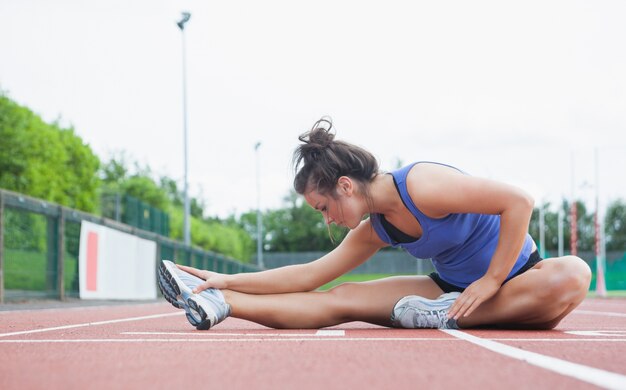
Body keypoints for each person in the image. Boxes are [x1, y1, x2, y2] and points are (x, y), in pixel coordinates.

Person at [157, 118, 591, 331]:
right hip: (450, 293)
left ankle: (453, 315)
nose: (326, 219)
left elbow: (518, 201)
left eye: (323, 207)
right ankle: (222, 306)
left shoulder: (424, 184)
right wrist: (226, 282)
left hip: (519, 279)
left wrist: (493, 280)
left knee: (572, 274)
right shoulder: (375, 228)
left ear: (345, 185)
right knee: (341, 297)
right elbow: (309, 276)